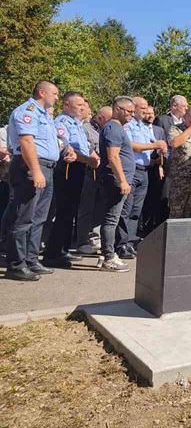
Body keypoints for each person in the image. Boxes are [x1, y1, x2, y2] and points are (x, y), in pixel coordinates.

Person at [4, 81, 77, 281]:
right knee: (23, 217)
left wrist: (66, 150)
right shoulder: (27, 111)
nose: (56, 97)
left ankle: (31, 259)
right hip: (30, 166)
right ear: (42, 92)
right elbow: (26, 142)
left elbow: (50, 141)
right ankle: (16, 264)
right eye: (54, 93)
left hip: (48, 167)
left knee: (39, 218)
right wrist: (36, 171)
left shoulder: (45, 115)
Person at [42, 91, 99, 268]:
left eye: (83, 105)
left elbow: (85, 147)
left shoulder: (77, 124)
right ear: (67, 105)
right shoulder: (62, 122)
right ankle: (53, 253)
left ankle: (63, 249)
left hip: (80, 168)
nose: (82, 108)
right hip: (67, 169)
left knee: (71, 212)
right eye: (79, 104)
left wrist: (93, 158)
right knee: (64, 212)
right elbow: (67, 149)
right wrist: (89, 159)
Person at [116, 97, 168, 258]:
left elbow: (152, 144)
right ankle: (120, 243)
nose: (145, 111)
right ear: (134, 107)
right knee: (126, 208)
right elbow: (131, 145)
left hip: (145, 170)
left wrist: (160, 149)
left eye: (146, 108)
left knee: (136, 210)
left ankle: (130, 241)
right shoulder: (127, 126)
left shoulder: (144, 127)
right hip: (131, 169)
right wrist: (154, 145)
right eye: (142, 108)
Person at [97, 96, 136, 273]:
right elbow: (113, 156)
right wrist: (122, 180)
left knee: (113, 218)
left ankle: (110, 253)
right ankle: (108, 257)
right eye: (129, 111)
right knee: (111, 219)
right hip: (115, 180)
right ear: (118, 109)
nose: (132, 115)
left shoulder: (119, 128)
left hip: (121, 179)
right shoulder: (112, 128)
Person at [75, 106, 111, 255]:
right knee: (86, 209)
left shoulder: (106, 130)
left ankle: (95, 239)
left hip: (103, 174)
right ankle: (82, 241)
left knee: (100, 209)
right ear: (101, 118)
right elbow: (85, 148)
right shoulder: (85, 129)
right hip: (89, 172)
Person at [140, 105, 169, 235]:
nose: (150, 116)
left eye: (152, 113)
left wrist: (161, 163)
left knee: (156, 199)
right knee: (143, 201)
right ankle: (141, 230)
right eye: (147, 113)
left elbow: (165, 149)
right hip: (142, 168)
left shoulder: (159, 130)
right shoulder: (138, 129)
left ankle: (153, 229)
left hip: (157, 169)